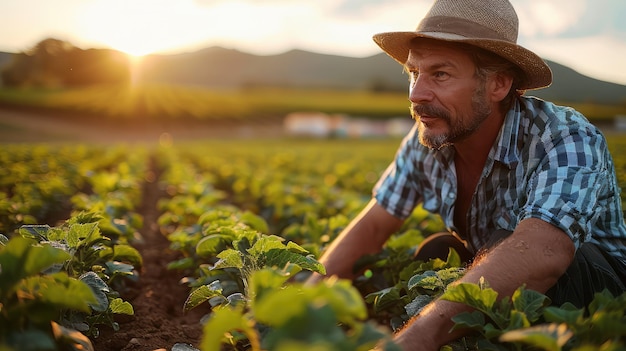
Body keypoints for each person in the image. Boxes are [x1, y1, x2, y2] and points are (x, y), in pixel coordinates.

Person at [306, 0, 626, 350]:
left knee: (508, 245)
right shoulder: (428, 137)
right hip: (510, 270)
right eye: (415, 73)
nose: (417, 94)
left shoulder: (564, 137)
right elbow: (374, 225)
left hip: (595, 289)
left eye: (440, 74)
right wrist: (296, 309)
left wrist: (410, 342)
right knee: (438, 251)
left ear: (499, 85)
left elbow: (543, 252)